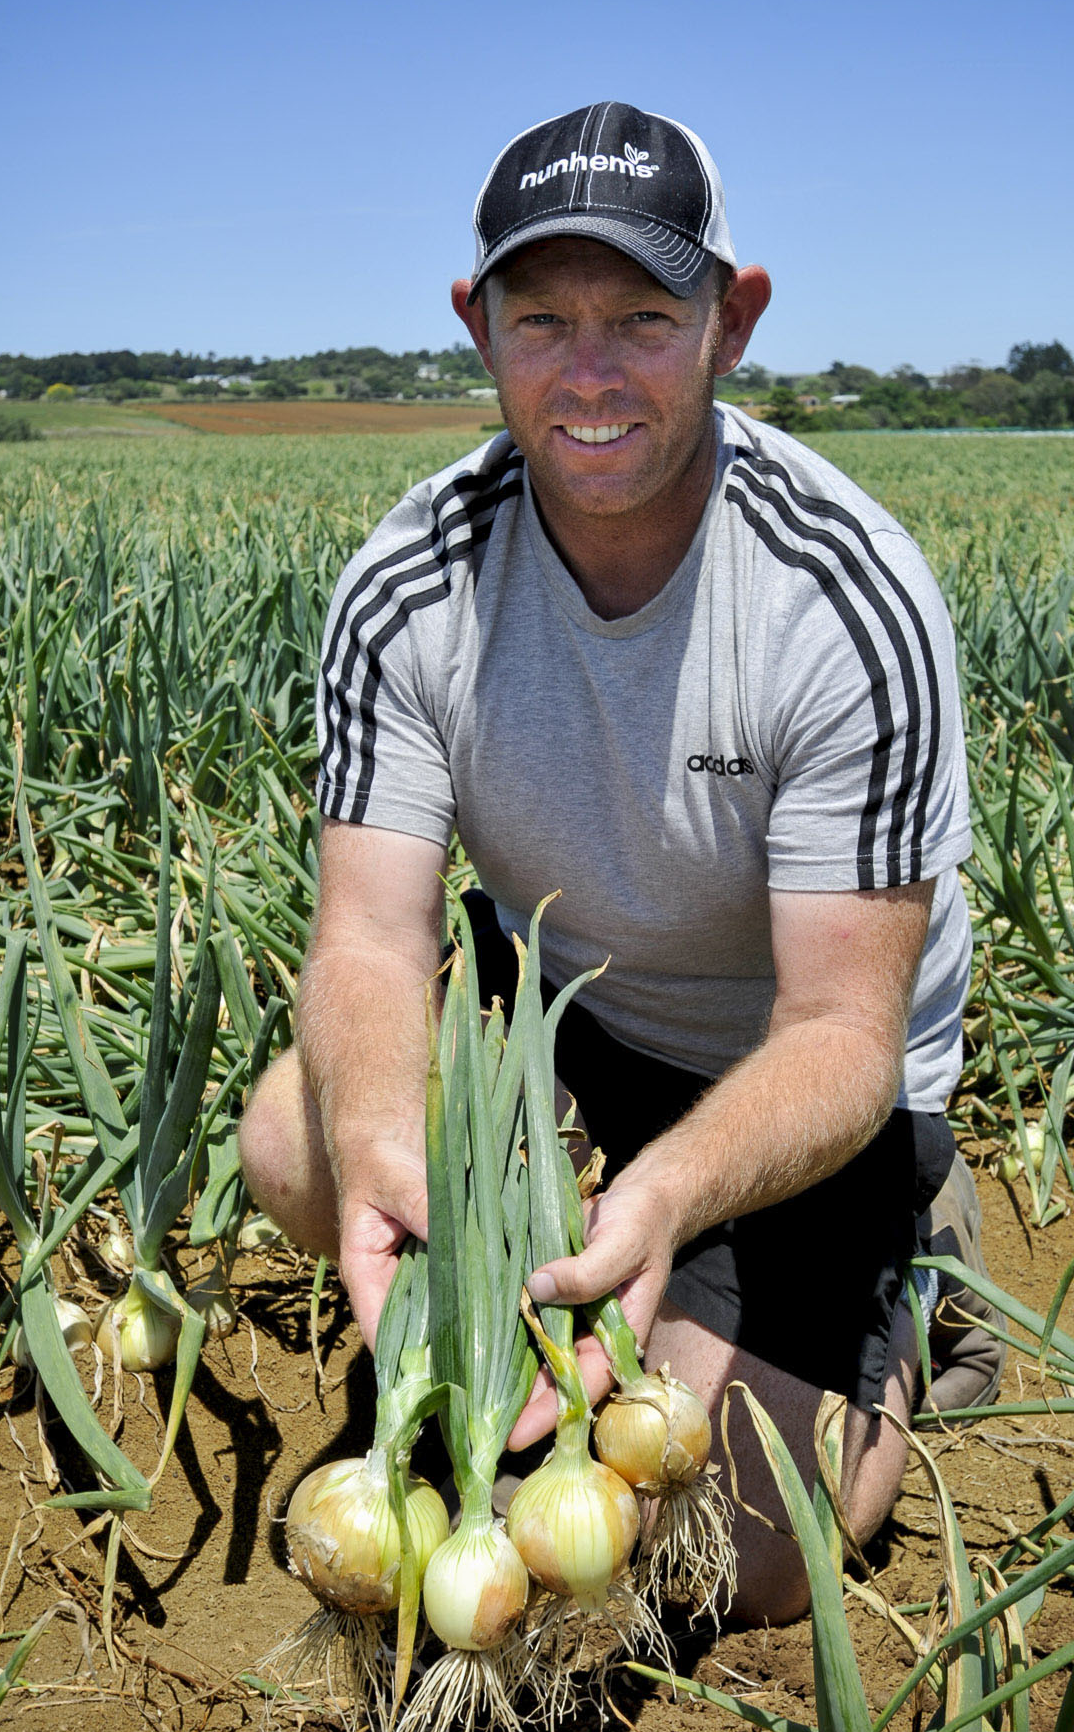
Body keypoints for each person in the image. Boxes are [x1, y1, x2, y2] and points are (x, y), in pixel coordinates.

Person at [239, 100, 1001, 1623]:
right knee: (294, 1137)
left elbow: (842, 1029)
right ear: (478, 327)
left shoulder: (840, 598)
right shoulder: (407, 583)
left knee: (755, 1554)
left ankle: (909, 1273)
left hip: (801, 1085)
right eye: (543, 320)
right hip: (566, 1027)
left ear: (733, 319)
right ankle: (567, 1254)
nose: (588, 371)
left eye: (642, 318)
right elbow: (371, 948)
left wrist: (661, 1195)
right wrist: (393, 1151)